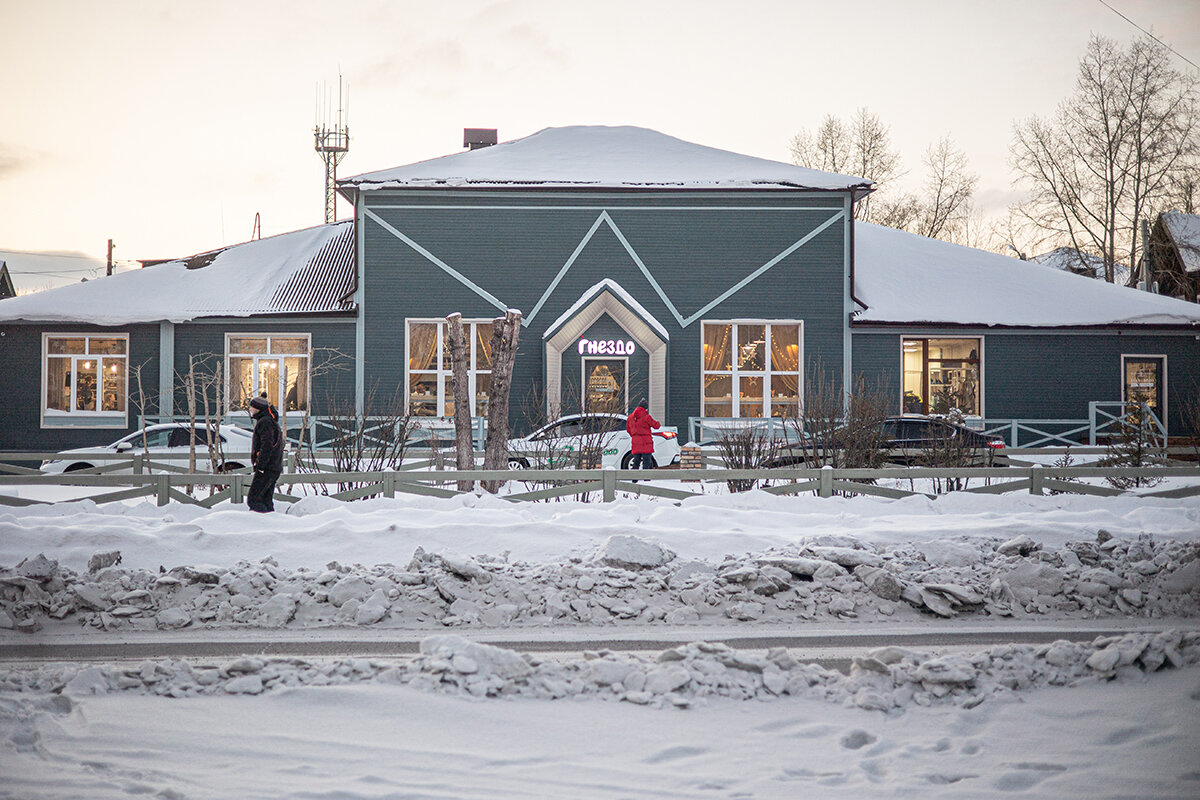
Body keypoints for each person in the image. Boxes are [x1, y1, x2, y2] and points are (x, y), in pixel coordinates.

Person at [248, 393, 283, 512]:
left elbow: (267, 445)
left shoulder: (265, 422)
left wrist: (261, 466)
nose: (250, 409)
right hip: (273, 466)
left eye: (252, 407)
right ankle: (271, 523)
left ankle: (261, 523)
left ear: (258, 408)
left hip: (267, 467)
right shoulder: (270, 421)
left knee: (254, 499)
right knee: (265, 499)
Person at [625, 402, 660, 479]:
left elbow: (628, 429)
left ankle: (634, 478)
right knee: (646, 462)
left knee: (636, 461)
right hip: (646, 442)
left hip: (636, 442)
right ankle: (646, 479)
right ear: (645, 408)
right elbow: (656, 426)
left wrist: (634, 436)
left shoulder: (630, 417)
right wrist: (658, 423)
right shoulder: (646, 417)